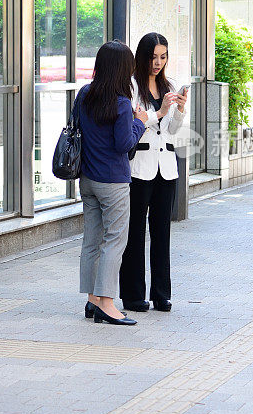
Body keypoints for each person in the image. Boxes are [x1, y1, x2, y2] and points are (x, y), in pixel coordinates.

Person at [79, 41, 147, 326]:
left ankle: (93, 300)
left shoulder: (84, 93)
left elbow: (79, 128)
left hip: (88, 179)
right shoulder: (120, 103)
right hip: (113, 182)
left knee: (92, 240)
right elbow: (125, 144)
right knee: (114, 241)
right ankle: (107, 303)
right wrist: (139, 122)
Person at [119, 32, 188, 314]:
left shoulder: (168, 85)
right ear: (142, 56)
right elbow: (133, 123)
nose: (158, 63)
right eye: (153, 56)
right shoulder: (131, 86)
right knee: (134, 233)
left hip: (166, 168)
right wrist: (158, 112)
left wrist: (180, 111)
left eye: (163, 57)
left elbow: (171, 130)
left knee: (162, 233)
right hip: (139, 167)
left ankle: (162, 294)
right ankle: (134, 296)